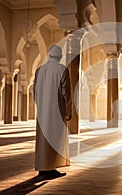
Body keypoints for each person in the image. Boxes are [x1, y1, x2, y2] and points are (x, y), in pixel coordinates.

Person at [33, 45, 72, 179]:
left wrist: (42, 106)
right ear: (60, 56)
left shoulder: (39, 71)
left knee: (43, 140)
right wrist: (68, 111)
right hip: (57, 112)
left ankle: (44, 169)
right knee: (55, 139)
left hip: (43, 112)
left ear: (49, 56)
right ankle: (50, 168)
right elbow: (66, 94)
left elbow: (35, 93)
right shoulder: (62, 69)